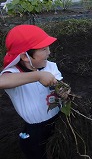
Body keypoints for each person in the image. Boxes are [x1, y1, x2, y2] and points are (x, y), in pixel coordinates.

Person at [0, 25, 63, 159]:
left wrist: (64, 92)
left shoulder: (50, 66)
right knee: (38, 153)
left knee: (57, 150)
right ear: (24, 56)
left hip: (59, 121)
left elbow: (60, 85)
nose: (49, 52)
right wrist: (37, 76)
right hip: (36, 129)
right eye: (44, 49)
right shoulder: (13, 73)